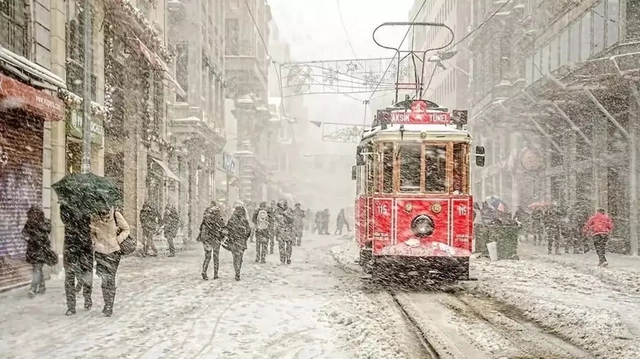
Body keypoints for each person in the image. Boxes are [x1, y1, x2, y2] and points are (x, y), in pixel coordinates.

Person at [90, 206, 130, 317]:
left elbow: (126, 229)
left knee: (110, 278)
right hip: (100, 252)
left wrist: (118, 239)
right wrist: (94, 242)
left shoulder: (116, 215)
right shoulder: (94, 217)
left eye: (106, 213)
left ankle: (109, 306)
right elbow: (92, 232)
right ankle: (107, 302)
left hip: (114, 252)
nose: (104, 216)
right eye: (102, 214)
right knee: (104, 279)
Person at [60, 201, 93, 316]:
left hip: (83, 246)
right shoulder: (65, 205)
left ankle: (87, 297)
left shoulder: (88, 204)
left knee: (86, 273)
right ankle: (71, 306)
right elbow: (64, 220)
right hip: (71, 246)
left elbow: (91, 222)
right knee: (70, 276)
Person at [22, 205, 52, 297]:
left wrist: (36, 229)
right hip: (33, 250)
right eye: (32, 214)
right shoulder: (29, 222)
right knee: (37, 269)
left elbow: (47, 231)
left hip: (42, 250)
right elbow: (24, 232)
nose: (34, 215)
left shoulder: (46, 222)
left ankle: (33, 288)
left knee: (37, 269)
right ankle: (42, 287)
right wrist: (28, 232)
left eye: (35, 213)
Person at [198, 204, 225, 280]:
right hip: (216, 239)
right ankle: (215, 274)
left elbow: (201, 228)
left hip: (207, 240)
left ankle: (204, 271)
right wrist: (221, 236)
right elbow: (223, 229)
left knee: (207, 257)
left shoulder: (206, 218)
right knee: (216, 257)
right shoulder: (220, 219)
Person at [226, 205, 251, 280]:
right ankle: (238, 271)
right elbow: (249, 231)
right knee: (240, 257)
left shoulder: (231, 220)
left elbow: (227, 230)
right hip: (241, 241)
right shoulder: (245, 220)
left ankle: (236, 270)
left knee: (235, 257)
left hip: (234, 241)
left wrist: (230, 237)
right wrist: (245, 238)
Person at [275, 199, 295, 264]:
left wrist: (286, 215)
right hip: (281, 230)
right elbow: (276, 220)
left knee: (289, 245)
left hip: (288, 230)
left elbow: (292, 219)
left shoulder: (289, 210)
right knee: (281, 246)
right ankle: (282, 258)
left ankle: (288, 257)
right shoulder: (277, 211)